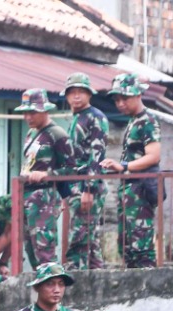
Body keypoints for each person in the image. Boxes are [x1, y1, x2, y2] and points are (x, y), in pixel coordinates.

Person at [102, 74, 161, 269]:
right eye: (117, 99)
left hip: (140, 192)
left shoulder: (148, 120)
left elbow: (153, 156)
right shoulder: (133, 121)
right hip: (129, 192)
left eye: (124, 98)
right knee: (126, 245)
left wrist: (124, 167)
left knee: (141, 247)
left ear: (138, 95)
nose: (120, 104)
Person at [15, 89, 74, 266]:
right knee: (30, 250)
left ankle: (54, 288)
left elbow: (72, 170)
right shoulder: (31, 134)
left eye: (32, 112)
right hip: (27, 197)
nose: (28, 117)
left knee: (44, 250)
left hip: (45, 197)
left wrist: (47, 175)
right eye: (25, 113)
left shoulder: (57, 134)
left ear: (45, 110)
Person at [64, 73, 109, 270]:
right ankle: (98, 276)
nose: (76, 96)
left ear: (89, 94)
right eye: (72, 92)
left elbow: (96, 155)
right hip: (75, 185)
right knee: (89, 237)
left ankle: (77, 275)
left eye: (81, 92)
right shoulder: (76, 118)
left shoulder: (96, 117)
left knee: (80, 236)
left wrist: (89, 188)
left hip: (88, 185)